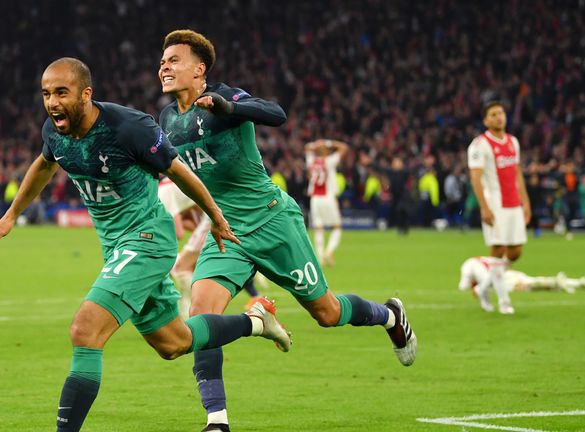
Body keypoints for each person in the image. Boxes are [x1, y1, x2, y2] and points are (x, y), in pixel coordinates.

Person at [0, 57, 292, 432]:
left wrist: (217, 217)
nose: (52, 102)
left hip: (147, 241)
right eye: (46, 94)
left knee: (85, 330)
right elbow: (45, 164)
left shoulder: (129, 127)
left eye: (62, 92)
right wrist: (12, 214)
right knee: (173, 343)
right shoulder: (54, 132)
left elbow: (179, 171)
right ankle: (256, 322)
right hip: (115, 247)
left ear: (86, 94)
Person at [157, 30, 417, 432]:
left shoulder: (227, 97)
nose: (164, 66)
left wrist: (228, 107)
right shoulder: (168, 119)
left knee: (327, 314)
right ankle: (217, 421)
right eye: (162, 60)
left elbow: (275, 113)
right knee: (200, 316)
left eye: (174, 60)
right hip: (227, 232)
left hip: (273, 222)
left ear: (199, 69)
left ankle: (390, 316)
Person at [158, 178, 260, 319]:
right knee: (191, 268)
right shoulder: (168, 184)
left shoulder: (162, 196)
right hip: (218, 210)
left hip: (213, 217)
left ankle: (189, 316)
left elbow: (179, 233)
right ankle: (195, 314)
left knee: (181, 267)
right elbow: (193, 215)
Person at [467, 99, 531, 314]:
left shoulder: (513, 142)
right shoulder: (479, 145)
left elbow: (517, 173)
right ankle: (504, 302)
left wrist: (526, 201)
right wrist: (484, 207)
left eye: (501, 113)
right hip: (495, 202)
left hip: (513, 203)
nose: (499, 117)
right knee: (497, 250)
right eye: (493, 114)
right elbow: (476, 178)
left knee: (515, 252)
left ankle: (484, 287)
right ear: (486, 120)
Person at [458, 256, 585, 312]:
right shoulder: (484, 261)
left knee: (532, 285)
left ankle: (560, 282)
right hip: (507, 274)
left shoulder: (469, 267)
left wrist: (478, 289)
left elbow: (466, 287)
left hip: (505, 280)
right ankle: (576, 282)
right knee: (533, 282)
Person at [305, 139, 348, 266]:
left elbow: (307, 147)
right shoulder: (329, 161)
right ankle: (328, 251)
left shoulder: (311, 160)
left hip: (315, 199)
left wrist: (316, 144)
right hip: (328, 197)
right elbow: (344, 147)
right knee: (337, 227)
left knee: (319, 228)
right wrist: (328, 142)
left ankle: (320, 257)